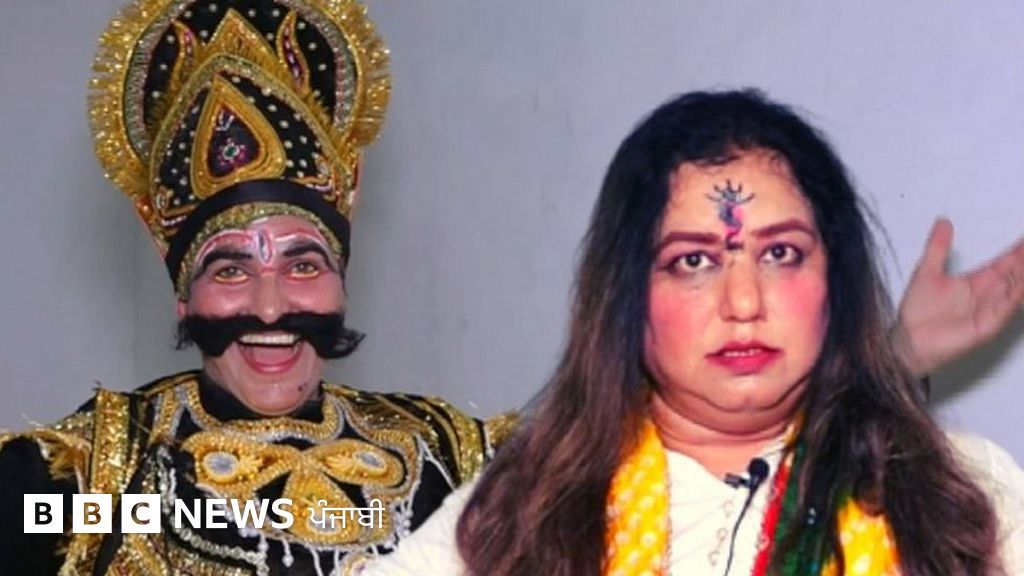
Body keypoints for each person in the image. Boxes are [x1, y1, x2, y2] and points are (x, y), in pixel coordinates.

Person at [366, 90, 1024, 575]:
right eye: (693, 262)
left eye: (781, 254)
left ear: (836, 282)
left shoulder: (960, 489)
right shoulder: (524, 508)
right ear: (626, 297)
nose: (744, 302)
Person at [0, 1, 514, 574]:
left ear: (342, 283)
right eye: (231, 271)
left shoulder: (451, 461)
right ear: (184, 297)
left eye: (303, 267)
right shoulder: (97, 488)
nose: (270, 308)